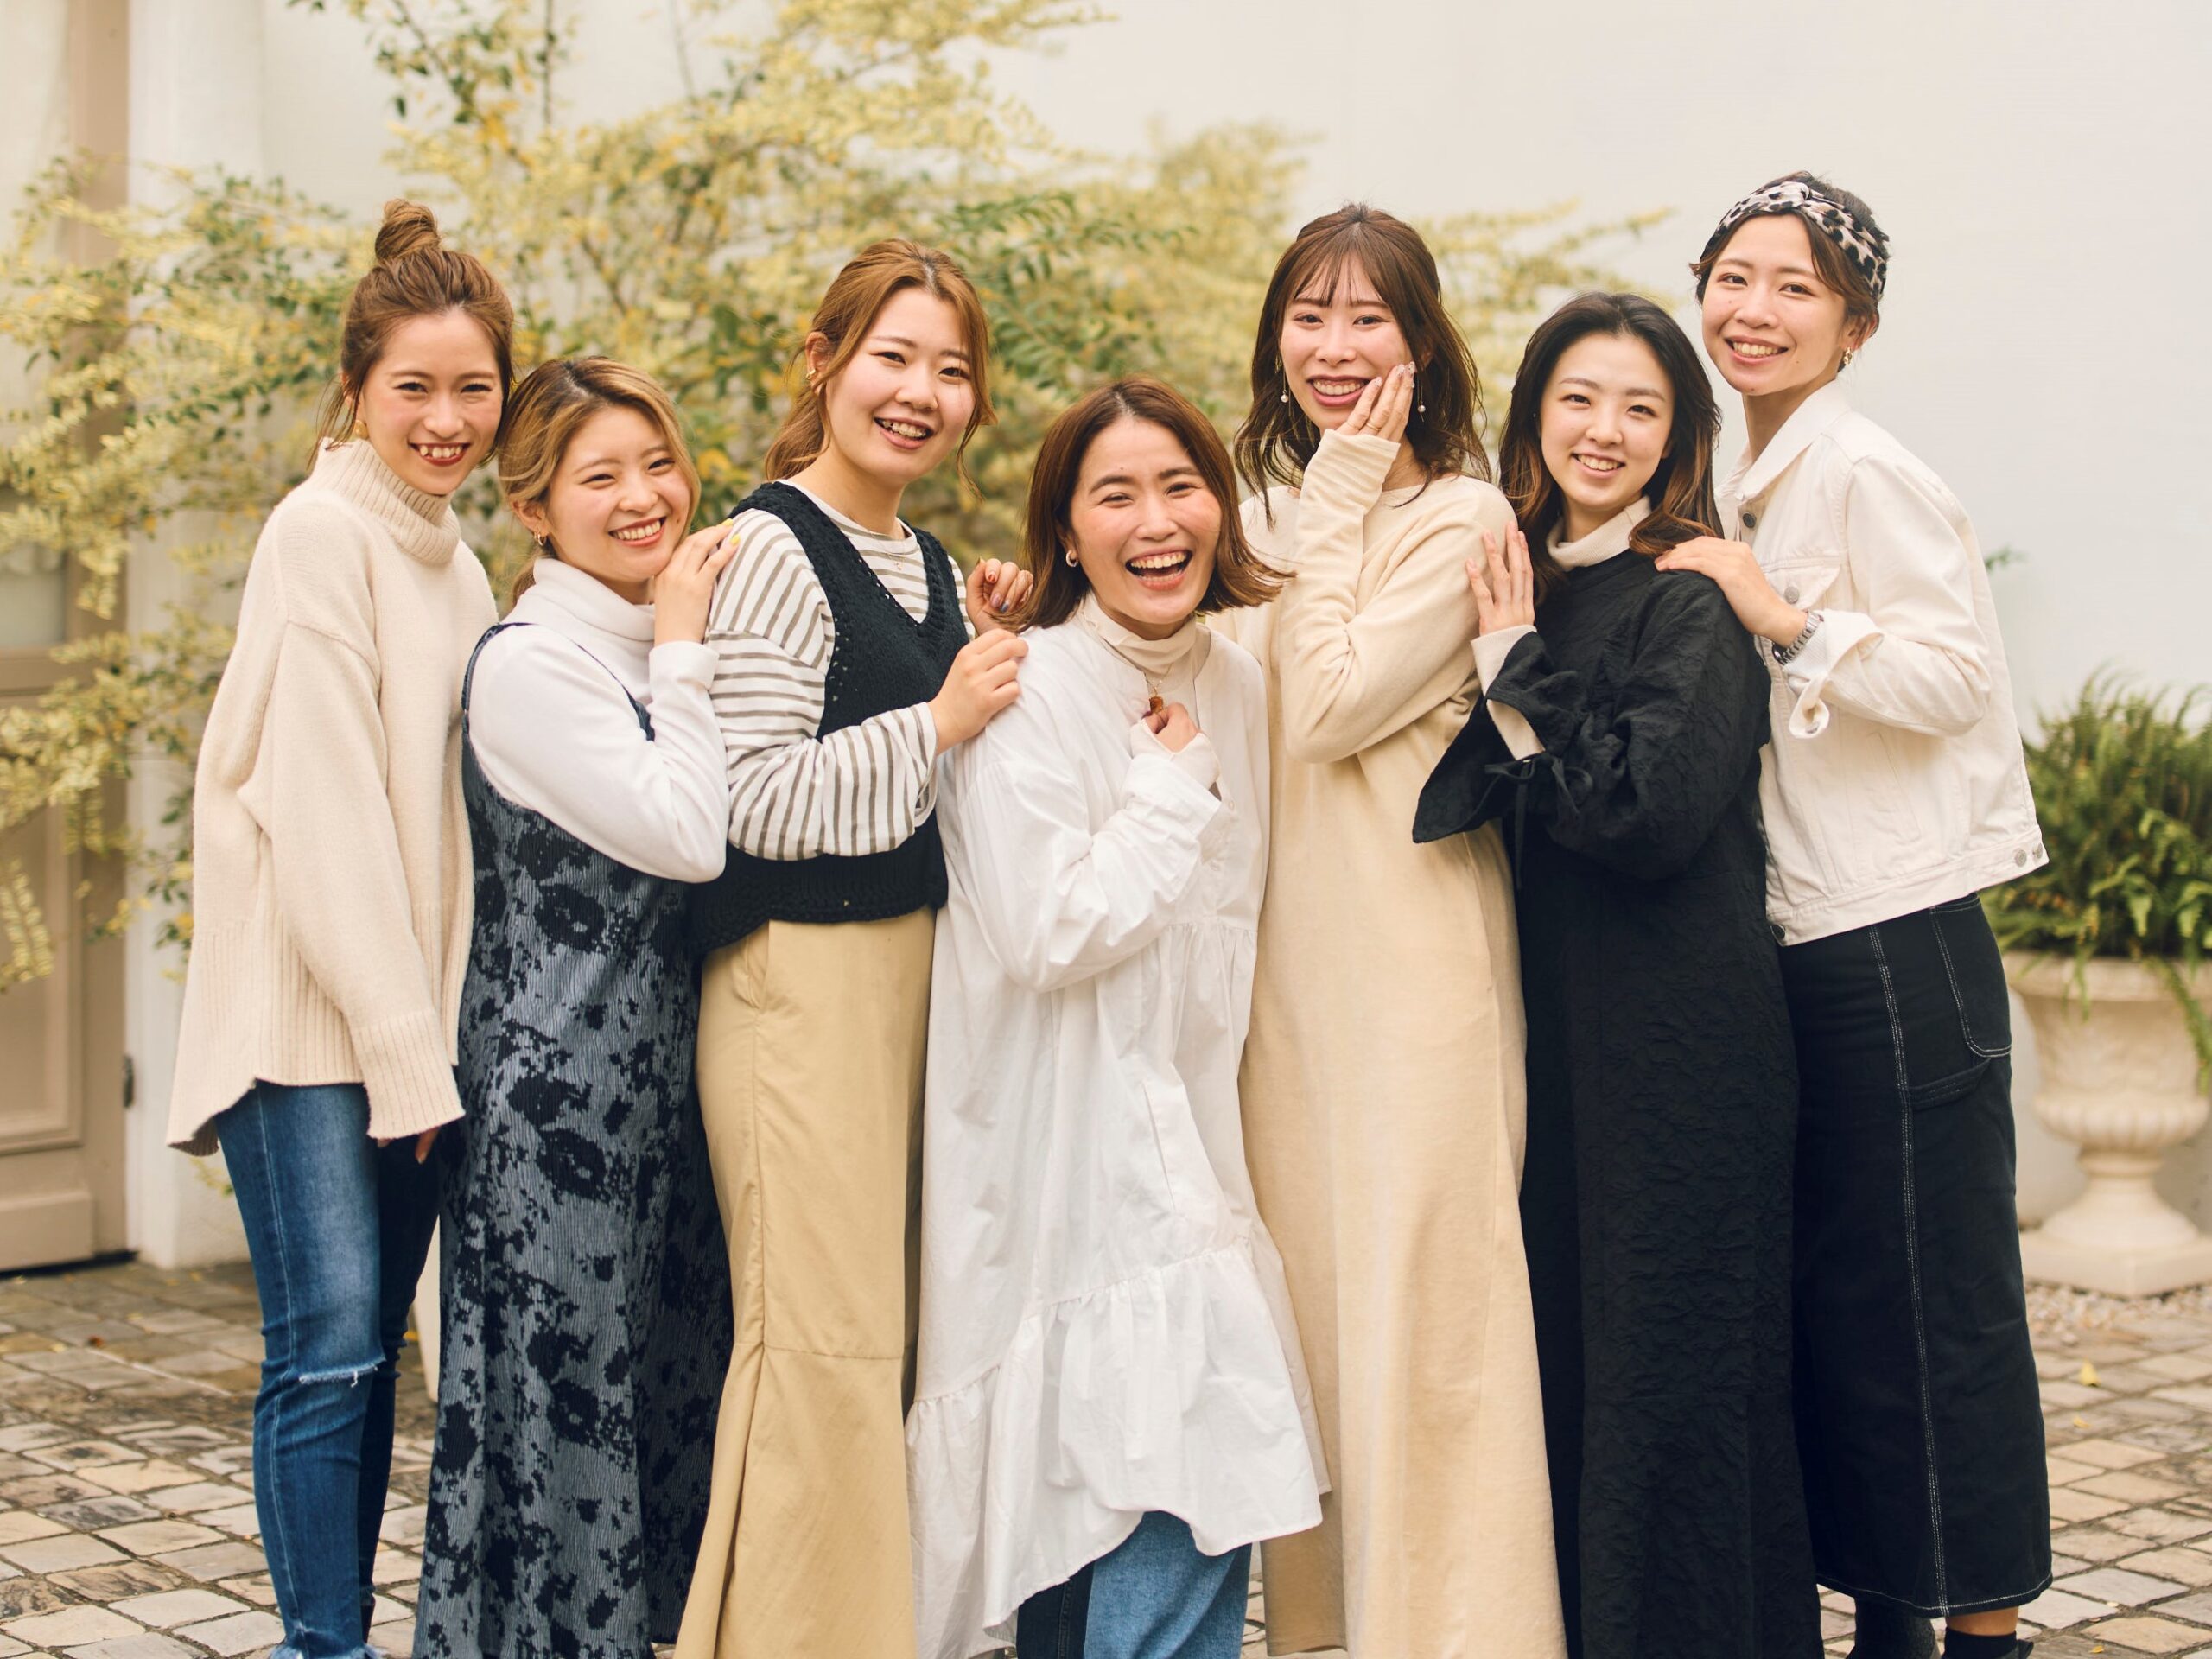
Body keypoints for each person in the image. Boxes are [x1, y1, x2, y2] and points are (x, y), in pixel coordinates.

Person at [1657, 173, 2050, 1659]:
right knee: (1846, 1311)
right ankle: (1891, 1624)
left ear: (1854, 328)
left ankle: (1984, 1639)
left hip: (1899, 941)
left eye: (1797, 287)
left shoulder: (1865, 472)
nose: (1754, 310)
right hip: (1805, 943)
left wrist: (1787, 617)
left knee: (1940, 1315)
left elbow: (1955, 680)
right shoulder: (1743, 474)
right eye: (1734, 277)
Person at [1414, 292, 1821, 1658]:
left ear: (1679, 438)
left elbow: (1643, 812)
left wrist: (1510, 671)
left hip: (1681, 1048)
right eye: (1579, 399)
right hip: (1559, 1041)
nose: (1605, 430)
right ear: (1535, 413)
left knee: (1673, 1384)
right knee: (1574, 1371)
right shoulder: (1525, 577)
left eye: (1641, 408)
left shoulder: (1686, 593)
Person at [907, 377, 1323, 1659]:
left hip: (1189, 1139)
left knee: (1193, 1469)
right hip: (1065, 1154)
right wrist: (1169, 785)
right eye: (1116, 495)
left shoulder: (1238, 682)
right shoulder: (1026, 686)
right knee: (1128, 1482)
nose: (1157, 521)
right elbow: (1050, 930)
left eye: (1182, 485)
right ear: (1066, 531)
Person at [1217, 202, 1566, 1659]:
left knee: (1432, 1309)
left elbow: (1331, 704)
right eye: (1309, 316)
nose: (1336, 346)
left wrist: (1348, 480)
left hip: (1420, 962)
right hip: (1282, 980)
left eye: (1369, 318)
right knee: (1309, 1315)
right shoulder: (1259, 521)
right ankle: (1320, 1632)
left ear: (1422, 344)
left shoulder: (1463, 518)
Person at [166, 199, 510, 1659]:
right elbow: (322, 820)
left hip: (400, 1031)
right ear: (356, 387)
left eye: (474, 388)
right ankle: (325, 1646)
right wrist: (403, 1048)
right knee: (324, 1355)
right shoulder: (317, 537)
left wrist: (431, 1042)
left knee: (369, 1361)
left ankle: (338, 1637)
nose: (446, 420)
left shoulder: (458, 562)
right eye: (413, 387)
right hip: (306, 1024)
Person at [677, 238, 1031, 1658]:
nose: (919, 393)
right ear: (822, 361)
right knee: (815, 1346)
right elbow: (751, 802)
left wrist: (983, 655)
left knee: (874, 1338)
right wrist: (940, 719)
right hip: (795, 985)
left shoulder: (926, 562)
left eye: (951, 371)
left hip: (903, 983)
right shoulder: (771, 549)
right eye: (892, 357)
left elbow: (923, 772)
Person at [413, 358, 737, 1658]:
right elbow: (689, 835)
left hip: (669, 1087)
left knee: (660, 1405)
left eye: (658, 462)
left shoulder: (651, 635)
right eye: (600, 476)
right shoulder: (534, 664)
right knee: (562, 1431)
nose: (644, 496)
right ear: (533, 506)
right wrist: (687, 649)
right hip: (557, 1112)